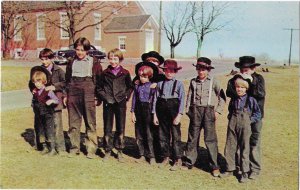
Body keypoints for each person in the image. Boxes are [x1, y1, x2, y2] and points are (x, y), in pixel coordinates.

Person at [184, 57, 226, 177]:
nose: (201, 72)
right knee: (192, 138)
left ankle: (214, 166)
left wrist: (217, 111)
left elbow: (222, 97)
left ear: (208, 70)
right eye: (199, 69)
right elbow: (189, 97)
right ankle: (189, 162)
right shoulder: (193, 81)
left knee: (210, 139)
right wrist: (188, 111)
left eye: (204, 69)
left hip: (209, 111)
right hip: (195, 111)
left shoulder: (214, 81)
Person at [226, 56, 266, 180]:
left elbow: (260, 94)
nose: (244, 71)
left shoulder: (259, 79)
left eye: (247, 69)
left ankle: (254, 169)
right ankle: (235, 167)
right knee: (235, 143)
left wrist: (251, 82)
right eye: (242, 68)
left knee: (253, 142)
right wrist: (238, 82)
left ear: (253, 68)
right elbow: (229, 92)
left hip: (255, 116)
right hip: (238, 116)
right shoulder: (236, 79)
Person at [65, 37, 103, 159]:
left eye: (82, 50)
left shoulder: (94, 62)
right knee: (73, 122)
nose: (79, 52)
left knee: (90, 122)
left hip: (89, 90)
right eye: (77, 49)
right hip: (73, 90)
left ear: (87, 50)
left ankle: (91, 149)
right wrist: (67, 95)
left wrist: (97, 96)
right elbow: (67, 80)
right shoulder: (71, 61)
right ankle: (74, 147)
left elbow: (99, 80)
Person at [221, 74, 261, 183]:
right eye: (238, 87)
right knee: (230, 146)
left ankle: (244, 172)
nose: (239, 89)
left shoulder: (251, 100)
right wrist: (231, 119)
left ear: (246, 88)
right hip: (233, 123)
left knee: (245, 148)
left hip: (245, 125)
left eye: (242, 87)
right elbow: (230, 110)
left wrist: (250, 121)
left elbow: (257, 113)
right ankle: (230, 169)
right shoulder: (233, 100)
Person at [96, 48, 134, 162]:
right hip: (108, 103)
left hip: (120, 103)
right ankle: (107, 150)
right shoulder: (105, 73)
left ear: (120, 59)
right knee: (107, 127)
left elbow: (130, 86)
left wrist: (126, 96)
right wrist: (105, 97)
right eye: (111, 59)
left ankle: (119, 150)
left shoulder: (125, 73)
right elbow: (99, 88)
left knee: (120, 127)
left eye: (115, 59)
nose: (113, 61)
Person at [29, 48, 67, 156]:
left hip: (55, 101)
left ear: (52, 58)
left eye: (46, 59)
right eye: (42, 59)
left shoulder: (59, 70)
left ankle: (60, 148)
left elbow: (65, 83)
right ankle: (43, 146)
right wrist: (33, 89)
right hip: (42, 104)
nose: (44, 62)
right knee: (42, 126)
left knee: (57, 125)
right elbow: (31, 82)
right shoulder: (38, 70)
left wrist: (54, 87)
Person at [152, 59, 185, 171]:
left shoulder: (179, 84)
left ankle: (177, 159)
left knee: (176, 136)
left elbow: (182, 101)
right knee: (163, 136)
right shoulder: (160, 84)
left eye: (172, 71)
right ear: (164, 71)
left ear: (175, 72)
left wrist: (179, 115)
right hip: (161, 112)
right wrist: (154, 115)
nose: (169, 73)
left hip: (174, 112)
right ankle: (165, 157)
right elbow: (155, 100)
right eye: (167, 71)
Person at [131, 63, 158, 165]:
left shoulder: (152, 86)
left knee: (149, 134)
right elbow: (134, 99)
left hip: (148, 109)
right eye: (141, 76)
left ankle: (151, 156)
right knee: (139, 133)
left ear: (149, 76)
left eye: (145, 76)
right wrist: (132, 112)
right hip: (138, 110)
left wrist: (154, 113)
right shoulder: (137, 86)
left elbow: (155, 100)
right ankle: (141, 154)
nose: (142, 78)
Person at [30, 68, 59, 156]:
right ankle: (45, 147)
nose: (37, 84)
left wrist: (51, 101)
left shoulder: (48, 91)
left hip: (47, 115)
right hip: (39, 115)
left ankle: (52, 149)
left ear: (44, 81)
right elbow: (33, 101)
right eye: (35, 82)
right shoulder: (35, 92)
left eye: (39, 82)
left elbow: (56, 100)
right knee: (41, 131)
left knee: (49, 131)